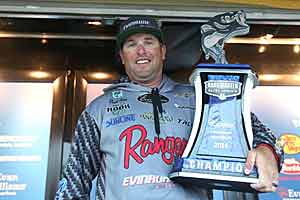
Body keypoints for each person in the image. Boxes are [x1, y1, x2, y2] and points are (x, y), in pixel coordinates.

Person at [55, 16, 282, 200]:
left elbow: (255, 129)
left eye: (149, 42)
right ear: (122, 57)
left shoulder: (200, 98)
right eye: (131, 44)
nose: (141, 51)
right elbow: (73, 184)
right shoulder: (99, 109)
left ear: (163, 51)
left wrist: (266, 151)